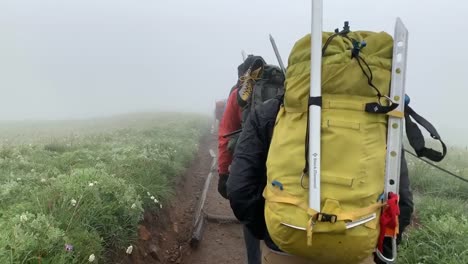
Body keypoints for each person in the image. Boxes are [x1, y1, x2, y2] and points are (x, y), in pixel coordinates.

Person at [226, 95, 414, 264]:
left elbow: (239, 189)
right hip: (355, 252)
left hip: (284, 248)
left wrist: (270, 232)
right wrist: (377, 250)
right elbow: (402, 201)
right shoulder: (382, 116)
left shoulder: (274, 110)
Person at [217, 55, 266, 264]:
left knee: (250, 212)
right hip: (280, 163)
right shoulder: (284, 91)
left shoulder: (239, 96)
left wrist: (223, 173)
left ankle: (254, 261)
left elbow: (225, 134)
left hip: (249, 165)